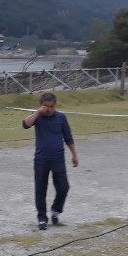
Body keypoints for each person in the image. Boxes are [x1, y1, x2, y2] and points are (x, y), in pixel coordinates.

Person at [22, 92, 79, 230]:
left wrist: (74, 155)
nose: (49, 109)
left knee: (63, 187)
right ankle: (42, 218)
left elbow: (68, 137)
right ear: (41, 105)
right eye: (46, 106)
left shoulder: (61, 117)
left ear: (55, 105)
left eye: (51, 106)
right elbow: (25, 124)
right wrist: (38, 112)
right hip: (41, 159)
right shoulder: (37, 117)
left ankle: (56, 209)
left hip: (58, 158)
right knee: (40, 189)